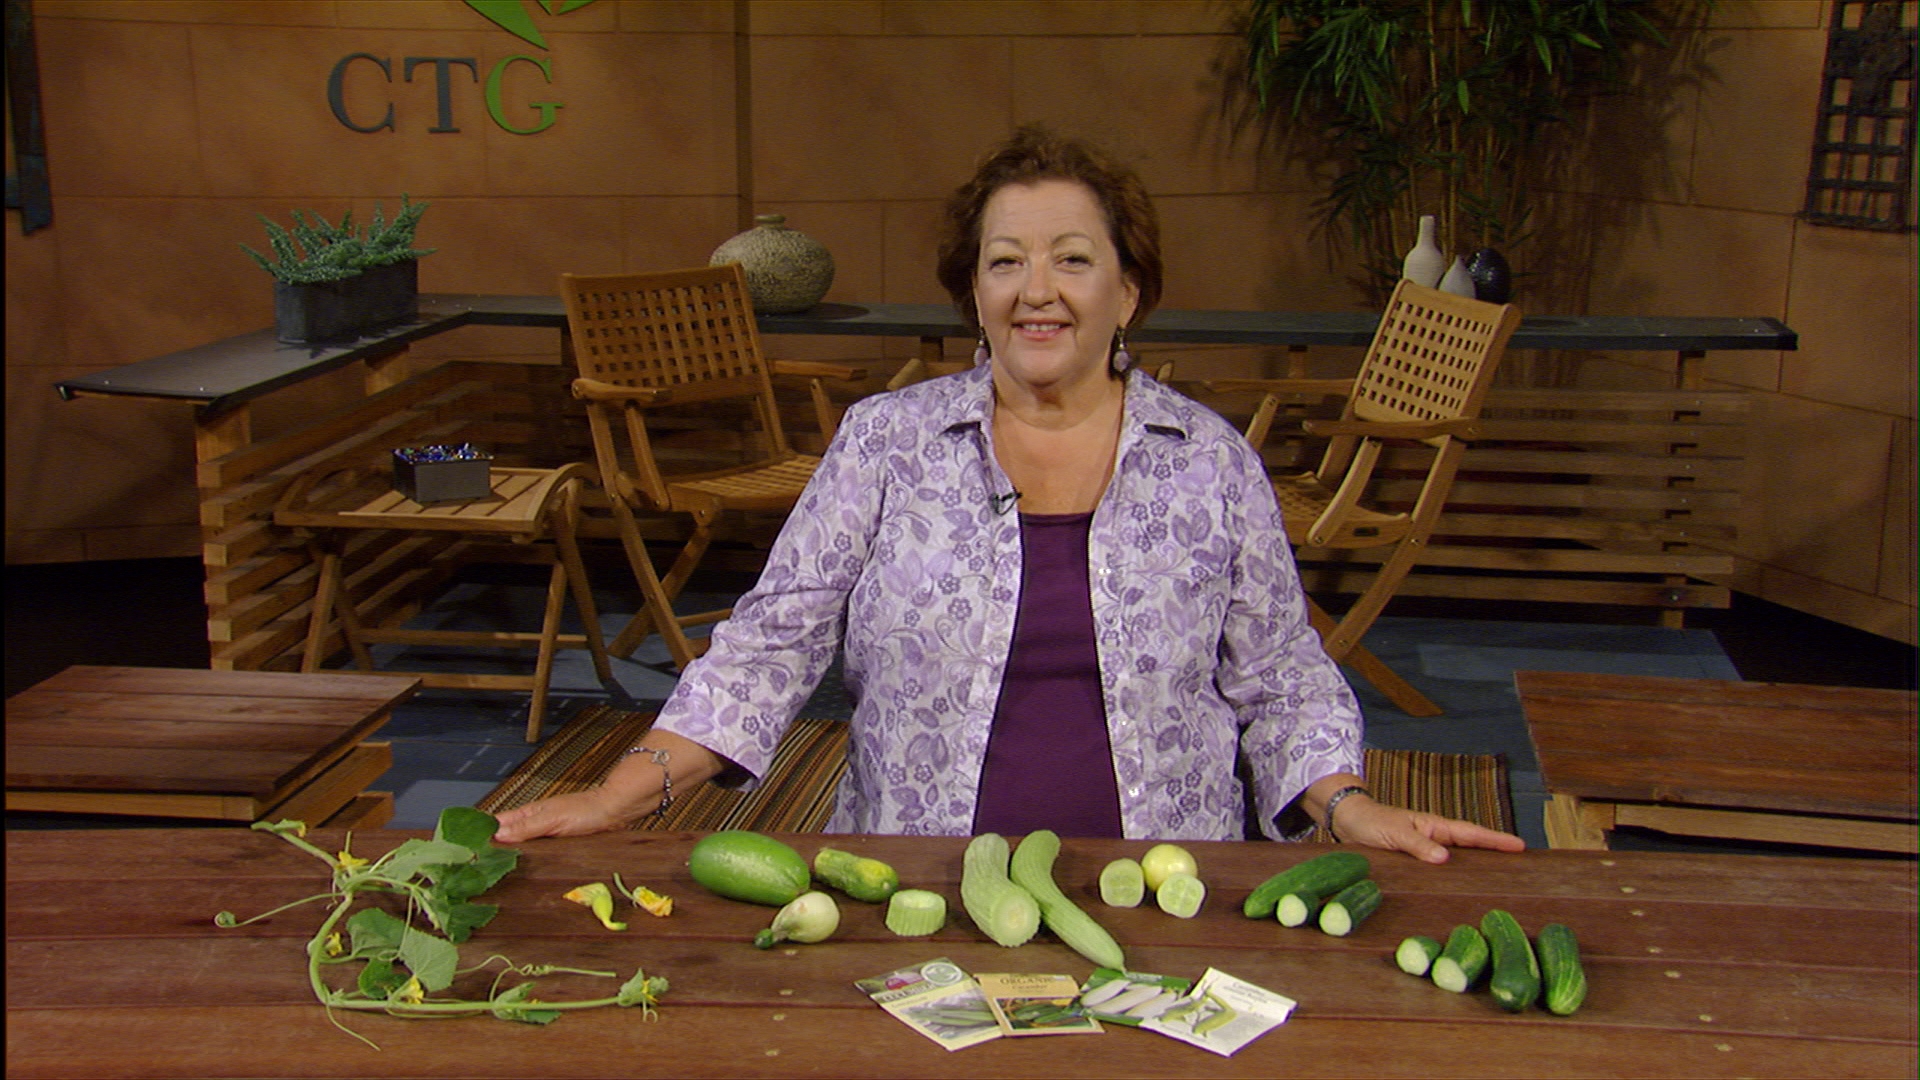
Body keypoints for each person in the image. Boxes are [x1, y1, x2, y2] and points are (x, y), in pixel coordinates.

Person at [495, 127, 1525, 863]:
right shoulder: (887, 444)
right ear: (974, 296)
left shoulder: (1209, 464)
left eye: (1072, 259)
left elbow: (1283, 681)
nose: (1038, 288)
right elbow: (770, 648)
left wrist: (1346, 806)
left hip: (1165, 894)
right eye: (1006, 262)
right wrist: (621, 793)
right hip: (915, 888)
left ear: (1127, 294)